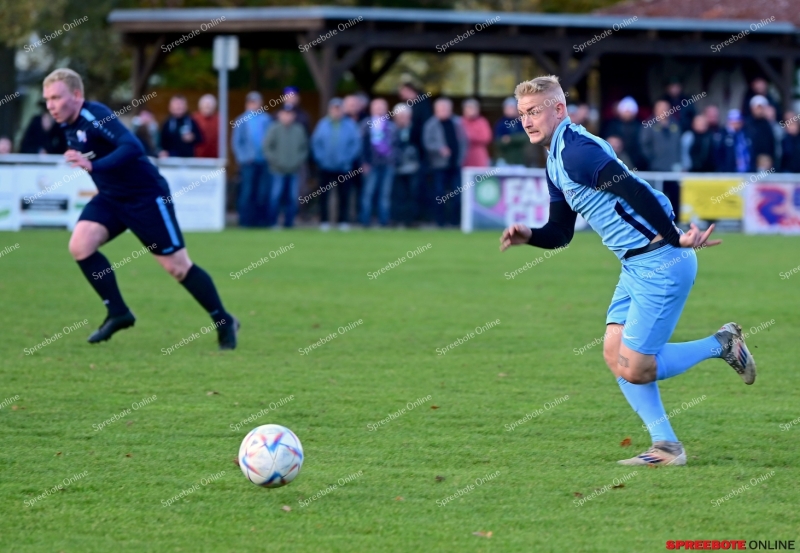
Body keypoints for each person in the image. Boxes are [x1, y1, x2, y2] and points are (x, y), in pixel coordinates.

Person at [500, 74, 756, 466]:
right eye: (522, 114)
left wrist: (673, 237)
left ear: (559, 109)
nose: (528, 121)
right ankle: (666, 447)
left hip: (661, 261)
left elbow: (633, 189)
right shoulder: (555, 160)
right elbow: (561, 233)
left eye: (534, 111)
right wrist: (529, 236)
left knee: (635, 368)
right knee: (613, 354)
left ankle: (721, 345)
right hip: (635, 265)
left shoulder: (576, 152)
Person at [42, 68, 237, 348]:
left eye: (56, 98)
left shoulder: (95, 115)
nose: (51, 105)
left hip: (146, 198)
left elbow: (132, 146)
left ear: (76, 95)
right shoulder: (67, 125)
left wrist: (93, 165)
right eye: (47, 99)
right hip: (111, 198)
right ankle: (119, 312)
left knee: (178, 268)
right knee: (80, 245)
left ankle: (224, 321)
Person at [310, 98, 361, 231]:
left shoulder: (350, 125)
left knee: (344, 195)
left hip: (344, 167)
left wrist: (347, 159)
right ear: (330, 110)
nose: (336, 111)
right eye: (334, 108)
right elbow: (316, 143)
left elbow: (355, 144)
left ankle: (343, 221)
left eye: (339, 109)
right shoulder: (322, 124)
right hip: (325, 167)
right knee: (324, 196)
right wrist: (321, 159)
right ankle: (324, 221)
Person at [423, 97, 467, 227]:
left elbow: (464, 142)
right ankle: (439, 222)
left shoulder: (457, 123)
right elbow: (427, 143)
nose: (443, 111)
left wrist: (461, 157)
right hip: (439, 166)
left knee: (457, 194)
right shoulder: (430, 124)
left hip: (455, 165)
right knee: (439, 193)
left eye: (446, 109)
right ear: (435, 110)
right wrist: (439, 149)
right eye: (440, 109)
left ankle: (455, 221)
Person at [232, 91, 272, 227]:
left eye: (257, 101)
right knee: (247, 192)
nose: (254, 104)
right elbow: (237, 142)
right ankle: (245, 221)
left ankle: (260, 221)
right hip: (248, 162)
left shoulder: (266, 119)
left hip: (264, 161)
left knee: (262, 192)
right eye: (251, 102)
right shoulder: (241, 120)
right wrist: (244, 158)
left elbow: (271, 140)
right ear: (247, 103)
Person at [263, 105, 308, 228]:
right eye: (285, 113)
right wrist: (276, 161)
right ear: (280, 115)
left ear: (294, 116)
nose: (288, 116)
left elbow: (304, 149)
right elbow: (267, 148)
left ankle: (289, 223)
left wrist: (297, 161)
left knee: (292, 198)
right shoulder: (274, 129)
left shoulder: (299, 130)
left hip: (294, 170)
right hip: (277, 170)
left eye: (290, 114)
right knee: (275, 197)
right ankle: (273, 222)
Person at [360, 98, 396, 227]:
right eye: (377, 107)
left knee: (385, 194)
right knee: (368, 193)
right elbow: (361, 145)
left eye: (382, 107)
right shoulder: (366, 124)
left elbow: (396, 145)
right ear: (371, 109)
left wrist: (393, 159)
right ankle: (365, 221)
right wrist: (364, 162)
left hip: (388, 164)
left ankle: (384, 222)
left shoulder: (391, 126)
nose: (380, 109)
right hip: (371, 164)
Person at [392, 104, 421, 226]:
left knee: (412, 195)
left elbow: (421, 147)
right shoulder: (391, 129)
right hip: (396, 168)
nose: (403, 118)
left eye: (405, 116)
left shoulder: (416, 129)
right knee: (398, 195)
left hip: (413, 168)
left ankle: (410, 220)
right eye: (400, 116)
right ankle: (397, 219)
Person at [602, 97, 647, 170]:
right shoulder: (613, 125)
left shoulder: (639, 126)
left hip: (636, 161)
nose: (627, 113)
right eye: (625, 111)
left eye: (629, 111)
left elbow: (643, 144)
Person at [640, 100, 682, 172]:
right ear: (655, 110)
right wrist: (652, 160)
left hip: (674, 167)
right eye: (661, 109)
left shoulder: (675, 125)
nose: (664, 111)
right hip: (655, 167)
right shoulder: (649, 125)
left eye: (666, 108)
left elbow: (679, 144)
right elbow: (644, 145)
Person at [494, 97, 529, 166]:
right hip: (504, 160)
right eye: (507, 108)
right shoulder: (500, 123)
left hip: (518, 160)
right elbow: (498, 141)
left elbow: (525, 138)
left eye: (511, 108)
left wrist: (510, 139)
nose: (509, 110)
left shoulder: (521, 123)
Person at [745, 95, 776, 170]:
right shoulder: (746, 125)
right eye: (757, 107)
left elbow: (773, 145)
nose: (759, 110)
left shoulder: (769, 125)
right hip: (750, 164)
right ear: (752, 108)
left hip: (767, 164)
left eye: (761, 108)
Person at [460, 98, 492, 167]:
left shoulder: (482, 122)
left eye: (474, 108)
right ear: (464, 109)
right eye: (469, 108)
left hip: (479, 156)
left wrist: (470, 135)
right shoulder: (460, 122)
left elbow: (486, 137)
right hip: (463, 156)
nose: (472, 110)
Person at [192, 94, 219, 158]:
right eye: (205, 105)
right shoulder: (194, 118)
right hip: (197, 158)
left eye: (209, 106)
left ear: (214, 107)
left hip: (215, 158)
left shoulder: (219, 119)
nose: (207, 106)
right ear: (200, 106)